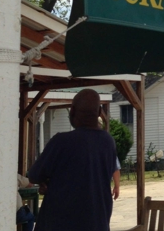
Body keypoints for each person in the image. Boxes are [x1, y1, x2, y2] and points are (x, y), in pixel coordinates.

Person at [28, 89, 118, 231]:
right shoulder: (108, 142)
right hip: (97, 222)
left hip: (61, 222)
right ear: (100, 111)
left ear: (72, 111)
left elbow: (34, 175)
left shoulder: (61, 142)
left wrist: (46, 182)